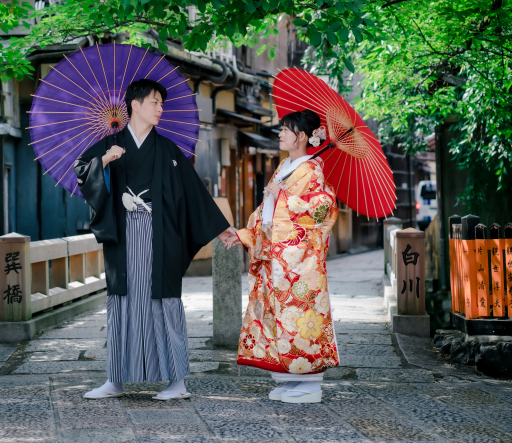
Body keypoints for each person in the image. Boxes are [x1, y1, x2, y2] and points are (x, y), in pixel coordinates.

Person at [74, 78, 238, 400]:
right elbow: (82, 171)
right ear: (134, 105)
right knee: (122, 304)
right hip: (122, 238)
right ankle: (116, 380)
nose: (160, 109)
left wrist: (221, 228)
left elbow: (193, 193)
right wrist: (105, 161)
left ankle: (176, 382)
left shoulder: (167, 149)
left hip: (159, 237)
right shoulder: (111, 144)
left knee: (163, 304)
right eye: (154, 102)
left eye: (161, 104)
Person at [227, 109, 339, 403]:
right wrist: (244, 233)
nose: (280, 134)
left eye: (285, 130)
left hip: (299, 267)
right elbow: (265, 213)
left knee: (300, 319)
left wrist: (285, 197)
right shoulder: (284, 167)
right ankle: (288, 380)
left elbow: (321, 209)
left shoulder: (312, 170)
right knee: (277, 320)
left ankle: (309, 385)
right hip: (277, 263)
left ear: (301, 136)